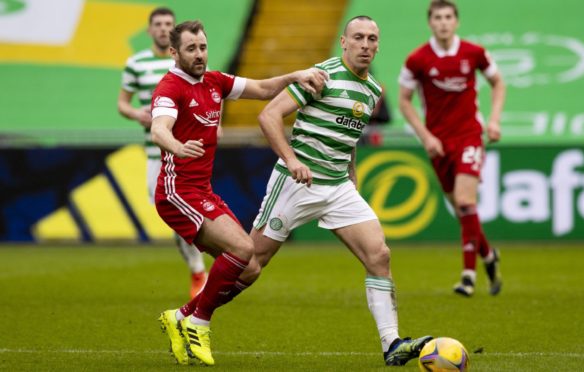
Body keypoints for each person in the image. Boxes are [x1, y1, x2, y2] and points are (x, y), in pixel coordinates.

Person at [230, 16, 432, 366]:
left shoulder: (373, 91)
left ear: (378, 45)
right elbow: (268, 115)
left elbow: (347, 136)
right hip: (297, 183)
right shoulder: (320, 76)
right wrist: (292, 160)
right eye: (358, 37)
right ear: (344, 41)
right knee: (251, 265)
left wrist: (351, 175)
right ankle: (195, 313)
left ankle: (392, 344)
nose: (366, 44)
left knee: (379, 255)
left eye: (372, 38)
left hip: (337, 187)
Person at [151, 20, 328, 366]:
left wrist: (294, 75)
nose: (200, 54)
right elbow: (159, 128)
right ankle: (199, 324)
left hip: (201, 191)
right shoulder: (170, 88)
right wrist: (176, 146)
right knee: (244, 247)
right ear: (174, 53)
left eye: (202, 47)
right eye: (191, 49)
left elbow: (262, 89)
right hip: (177, 192)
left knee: (249, 268)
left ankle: (182, 315)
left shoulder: (215, 81)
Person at [398, 0, 506, 297]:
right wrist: (425, 137)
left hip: (470, 135)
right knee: (462, 211)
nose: (443, 22)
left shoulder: (474, 53)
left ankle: (468, 275)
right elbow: (404, 100)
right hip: (438, 143)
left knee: (464, 201)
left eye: (448, 17)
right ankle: (488, 255)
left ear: (456, 21)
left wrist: (494, 120)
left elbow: (498, 83)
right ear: (430, 22)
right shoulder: (417, 59)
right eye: (437, 18)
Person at [117, 7, 208, 298]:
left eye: (168, 23)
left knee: (189, 209)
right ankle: (199, 266)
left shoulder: (186, 61)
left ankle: (199, 272)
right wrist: (136, 114)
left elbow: (206, 93)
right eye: (157, 24)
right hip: (156, 152)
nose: (162, 27)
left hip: (189, 151)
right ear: (149, 30)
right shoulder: (136, 63)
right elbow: (123, 103)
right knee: (172, 213)